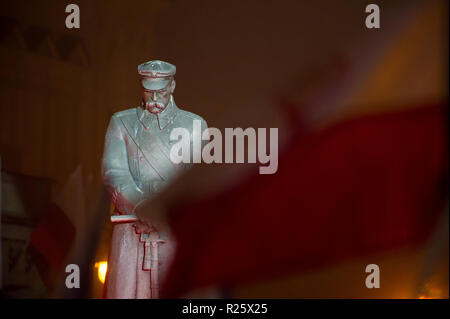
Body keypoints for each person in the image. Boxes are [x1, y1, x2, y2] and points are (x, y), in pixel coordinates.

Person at [102, 60, 207, 298]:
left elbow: (198, 179)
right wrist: (141, 206)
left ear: (172, 86)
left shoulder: (195, 125)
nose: (154, 98)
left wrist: (166, 210)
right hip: (131, 226)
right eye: (149, 91)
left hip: (171, 227)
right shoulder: (121, 122)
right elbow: (113, 172)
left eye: (160, 91)